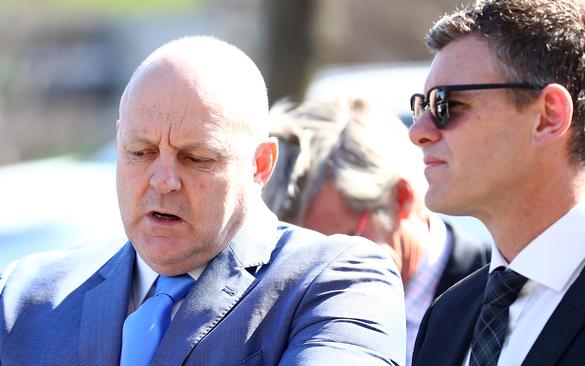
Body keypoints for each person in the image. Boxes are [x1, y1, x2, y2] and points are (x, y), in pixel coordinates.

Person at [0, 36, 406, 365]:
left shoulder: (339, 282)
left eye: (197, 159)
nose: (163, 181)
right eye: (140, 152)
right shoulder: (25, 296)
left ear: (260, 164)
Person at [408, 0, 585, 365]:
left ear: (548, 117)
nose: (418, 131)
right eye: (420, 105)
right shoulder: (447, 316)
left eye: (445, 104)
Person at [263, 97, 489, 365]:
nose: (319, 272)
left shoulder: (499, 293)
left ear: (401, 199)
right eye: (297, 254)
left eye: (343, 246)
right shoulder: (273, 309)